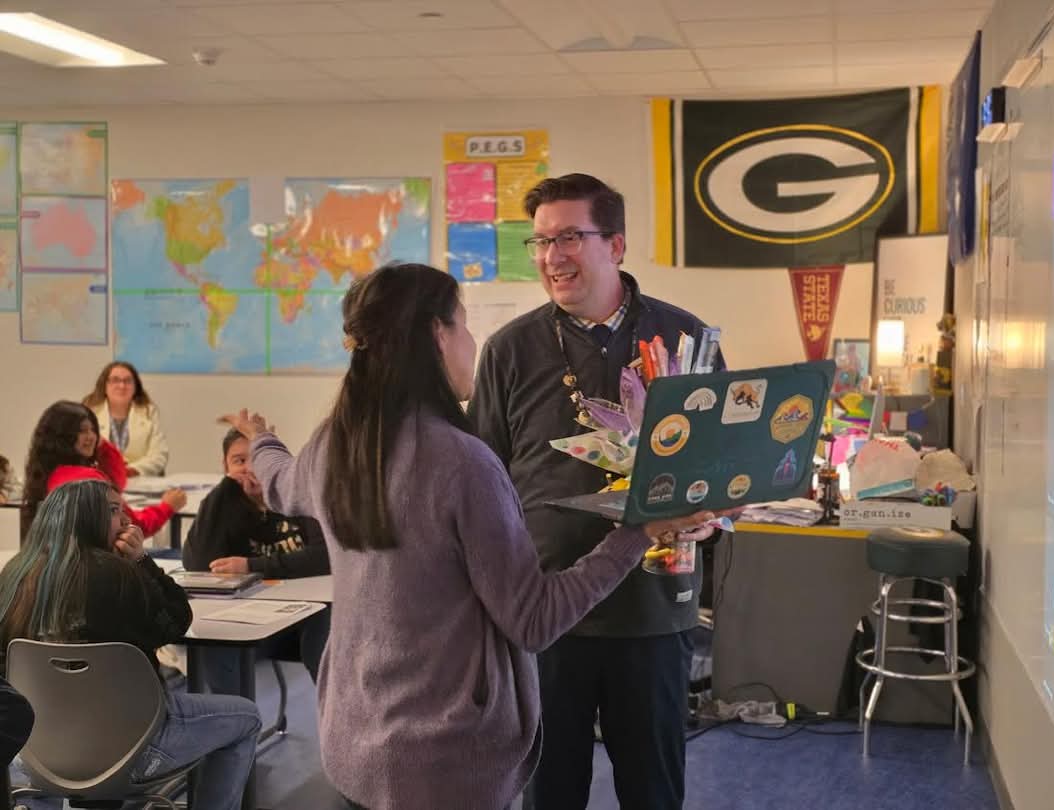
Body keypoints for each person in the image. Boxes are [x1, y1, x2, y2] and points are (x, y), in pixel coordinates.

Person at [218, 262, 714, 810]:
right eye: (464, 323)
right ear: (437, 334)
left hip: (353, 742)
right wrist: (637, 532)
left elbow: (283, 483)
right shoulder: (462, 464)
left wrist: (261, 439)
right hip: (443, 756)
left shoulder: (337, 443)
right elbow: (534, 619)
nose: (472, 340)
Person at [467, 173, 725, 810]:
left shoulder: (687, 339)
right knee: (551, 789)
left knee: (653, 785)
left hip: (653, 602)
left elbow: (720, 467)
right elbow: (482, 479)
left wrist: (711, 515)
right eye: (541, 241)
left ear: (615, 243)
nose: (553, 256)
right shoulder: (509, 350)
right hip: (547, 607)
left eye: (569, 238)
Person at [0, 479, 260, 810]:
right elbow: (175, 622)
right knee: (246, 717)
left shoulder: (14, 575)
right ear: (84, 518)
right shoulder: (117, 574)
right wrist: (142, 561)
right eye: (113, 511)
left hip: (35, 752)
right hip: (132, 746)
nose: (126, 521)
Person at [183, 427, 330, 684]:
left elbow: (323, 556)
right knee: (211, 641)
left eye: (256, 459)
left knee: (325, 624)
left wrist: (252, 565)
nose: (250, 468)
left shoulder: (295, 500)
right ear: (225, 466)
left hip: (300, 617)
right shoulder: (223, 504)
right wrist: (226, 487)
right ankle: (236, 720)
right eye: (239, 461)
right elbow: (198, 564)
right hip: (244, 618)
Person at [20, 401, 185, 541]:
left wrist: (101, 445)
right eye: (83, 431)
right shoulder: (89, 478)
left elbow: (117, 483)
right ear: (63, 436)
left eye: (93, 430)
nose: (91, 436)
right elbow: (133, 526)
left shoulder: (47, 474)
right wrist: (167, 507)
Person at [83, 361, 168, 477]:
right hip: (102, 481)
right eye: (115, 380)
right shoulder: (89, 412)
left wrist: (132, 470)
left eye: (128, 381)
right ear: (105, 385)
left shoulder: (148, 412)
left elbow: (159, 455)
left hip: (141, 481)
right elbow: (82, 453)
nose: (122, 386)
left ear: (135, 387)